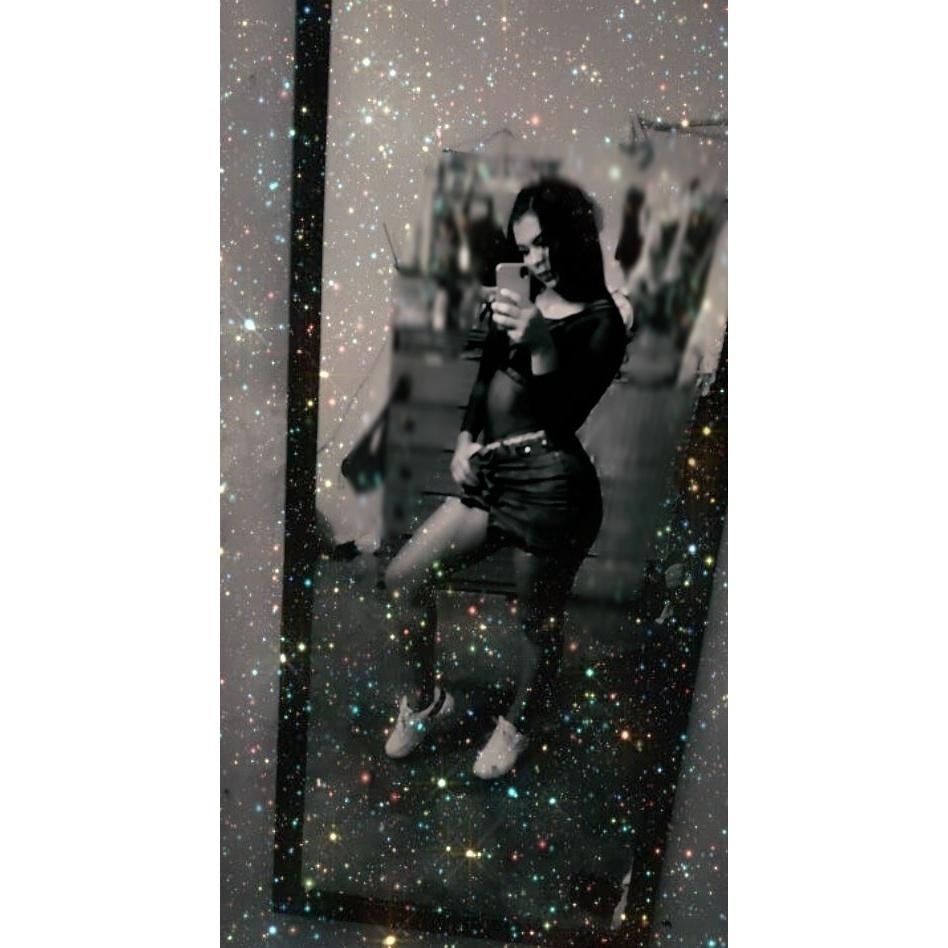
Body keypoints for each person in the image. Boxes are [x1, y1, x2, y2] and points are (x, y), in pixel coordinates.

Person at [382, 178, 627, 779]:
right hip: (495, 474)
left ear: (576, 234)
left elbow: (560, 415)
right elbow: (487, 373)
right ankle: (424, 701)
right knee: (405, 578)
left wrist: (542, 346)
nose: (535, 260)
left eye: (545, 243)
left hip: (551, 491)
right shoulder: (523, 298)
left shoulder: (605, 321)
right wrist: (467, 437)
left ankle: (520, 721)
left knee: (536, 624)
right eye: (525, 249)